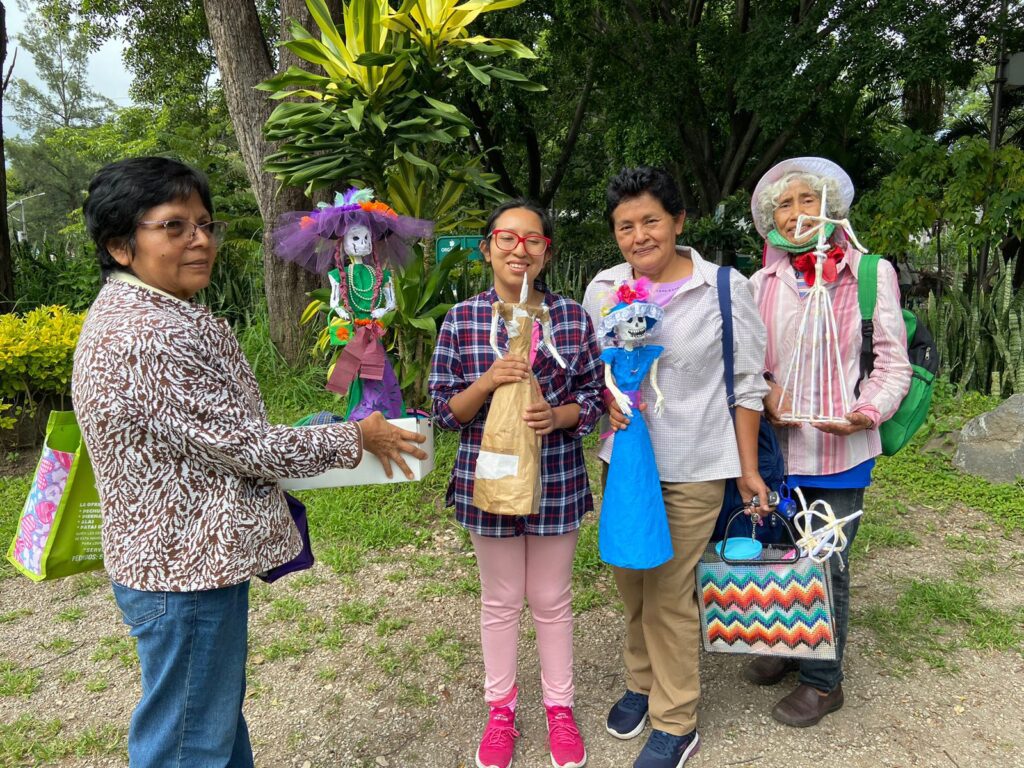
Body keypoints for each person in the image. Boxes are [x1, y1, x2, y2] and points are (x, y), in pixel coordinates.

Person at [72, 156, 427, 768]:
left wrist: (325, 429)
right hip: (184, 570)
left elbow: (221, 436)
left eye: (205, 223)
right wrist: (355, 439)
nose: (200, 239)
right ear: (120, 246)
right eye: (174, 226)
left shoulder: (158, 313)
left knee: (210, 728)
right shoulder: (146, 333)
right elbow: (248, 447)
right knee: (187, 747)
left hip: (188, 560)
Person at [582, 167, 770, 768]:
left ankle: (676, 719)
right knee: (630, 577)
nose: (639, 236)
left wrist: (747, 469)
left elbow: (745, 386)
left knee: (667, 590)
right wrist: (603, 402)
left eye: (650, 221)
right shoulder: (604, 288)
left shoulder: (721, 287)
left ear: (679, 221)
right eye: (625, 226)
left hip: (694, 462)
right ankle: (642, 682)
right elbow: (594, 373)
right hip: (624, 461)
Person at [429, 199, 604, 768]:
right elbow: (443, 412)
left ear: (546, 253)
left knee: (552, 599)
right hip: (488, 479)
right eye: (507, 238)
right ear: (487, 248)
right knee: (500, 600)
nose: (519, 249)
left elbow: (594, 398)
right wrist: (487, 382)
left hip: (555, 475)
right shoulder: (462, 319)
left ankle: (560, 708)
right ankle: (500, 709)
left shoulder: (572, 318)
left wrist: (558, 417)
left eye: (533, 241)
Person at [747, 156, 911, 726]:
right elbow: (751, 364)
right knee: (777, 549)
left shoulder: (870, 273)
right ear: (772, 219)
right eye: (784, 205)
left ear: (831, 208)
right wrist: (767, 394)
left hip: (839, 453)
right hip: (775, 452)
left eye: (807, 201)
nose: (796, 215)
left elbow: (892, 363)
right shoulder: (760, 283)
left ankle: (823, 681)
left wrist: (866, 414)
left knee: (825, 559)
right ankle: (788, 647)